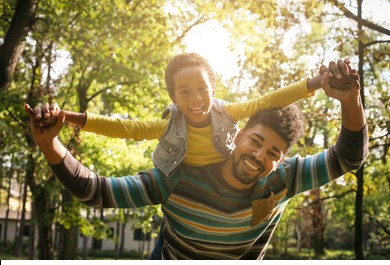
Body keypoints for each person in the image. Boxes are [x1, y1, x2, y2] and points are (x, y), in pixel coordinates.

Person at [26, 60, 368, 259]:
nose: (259, 157)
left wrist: (349, 100)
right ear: (237, 136)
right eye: (255, 142)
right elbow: (98, 191)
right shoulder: (175, 177)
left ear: (283, 160)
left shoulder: (285, 179)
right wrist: (50, 144)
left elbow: (348, 158)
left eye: (273, 153)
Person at [32, 53, 357, 178]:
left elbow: (272, 98)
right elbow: (124, 128)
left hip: (222, 179)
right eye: (184, 92)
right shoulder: (169, 125)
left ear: (213, 88)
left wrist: (319, 82)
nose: (196, 99)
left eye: (202, 88)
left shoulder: (228, 112)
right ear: (174, 98)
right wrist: (67, 116)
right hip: (179, 181)